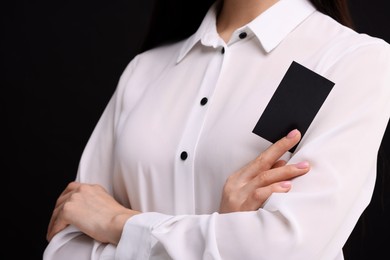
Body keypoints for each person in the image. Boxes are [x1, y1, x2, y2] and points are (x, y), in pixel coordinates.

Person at [43, 0, 390, 259]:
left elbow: (287, 248)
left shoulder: (350, 60)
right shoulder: (144, 70)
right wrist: (222, 237)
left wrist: (120, 223)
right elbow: (65, 247)